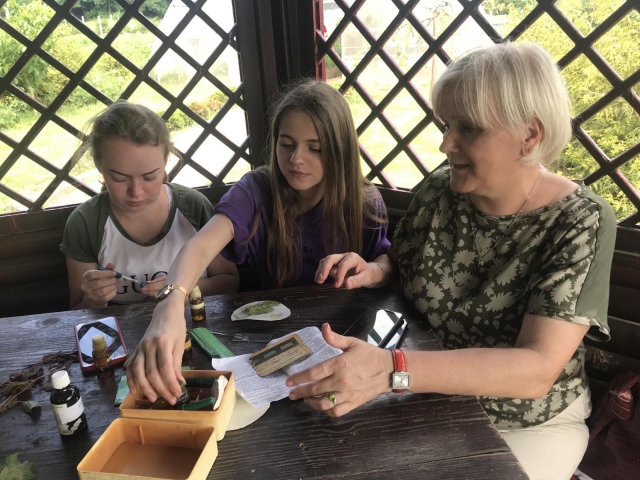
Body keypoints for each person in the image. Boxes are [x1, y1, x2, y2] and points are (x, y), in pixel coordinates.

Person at [288, 43, 616, 480]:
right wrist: (373, 270)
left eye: (469, 128)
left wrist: (391, 370)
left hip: (528, 420)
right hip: (426, 395)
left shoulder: (579, 220)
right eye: (447, 125)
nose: (446, 144)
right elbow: (400, 260)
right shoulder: (440, 190)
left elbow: (536, 370)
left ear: (529, 135)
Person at [125, 80, 390, 399]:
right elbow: (201, 245)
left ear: (341, 150)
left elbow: (386, 265)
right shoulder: (256, 190)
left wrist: (371, 271)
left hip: (343, 343)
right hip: (265, 342)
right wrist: (169, 305)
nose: (296, 159)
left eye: (315, 148)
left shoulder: (364, 203)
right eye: (286, 144)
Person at [60, 101, 238, 309]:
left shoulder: (192, 207)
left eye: (150, 176)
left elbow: (229, 283)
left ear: (165, 162)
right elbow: (77, 310)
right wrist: (94, 298)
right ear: (99, 165)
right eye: (119, 178)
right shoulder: (86, 222)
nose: (136, 192)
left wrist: (181, 287)